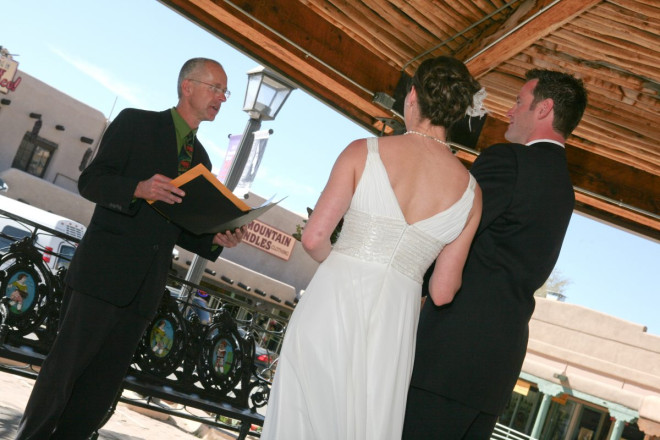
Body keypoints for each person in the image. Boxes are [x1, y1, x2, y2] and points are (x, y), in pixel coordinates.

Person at [16, 57, 244, 440]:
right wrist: (137, 188)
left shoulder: (201, 159)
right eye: (215, 88)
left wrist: (215, 238)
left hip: (144, 294)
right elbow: (91, 182)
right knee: (62, 376)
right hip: (100, 276)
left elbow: (180, 225)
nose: (221, 98)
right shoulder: (136, 123)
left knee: (100, 392)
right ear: (187, 86)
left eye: (225, 91)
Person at [261, 56, 483, 440]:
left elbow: (314, 238)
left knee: (302, 418)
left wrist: (348, 265)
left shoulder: (364, 151)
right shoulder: (471, 194)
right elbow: (443, 292)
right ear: (460, 111)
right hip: (394, 325)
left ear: (412, 96)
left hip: (333, 302)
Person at [403, 69, 588, 439]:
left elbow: (449, 231)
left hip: (449, 355)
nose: (509, 111)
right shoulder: (564, 191)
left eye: (519, 102)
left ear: (544, 109)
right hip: (497, 368)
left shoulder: (510, 161)